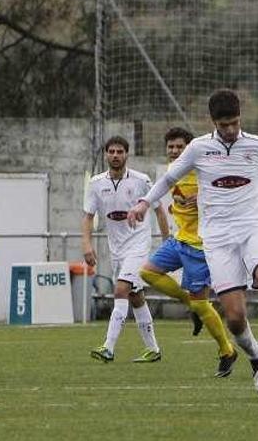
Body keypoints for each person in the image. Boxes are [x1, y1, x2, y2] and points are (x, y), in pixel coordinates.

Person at [128, 89, 258, 384]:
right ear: (213, 123)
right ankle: (256, 354)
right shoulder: (197, 148)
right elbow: (169, 178)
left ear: (240, 118)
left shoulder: (257, 146)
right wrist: (144, 203)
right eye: (224, 125)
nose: (230, 130)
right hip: (217, 239)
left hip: (253, 228)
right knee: (234, 318)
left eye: (234, 123)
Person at [138, 127, 238, 377]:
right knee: (147, 273)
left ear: (189, 148)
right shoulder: (171, 172)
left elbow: (226, 192)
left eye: (179, 147)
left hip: (200, 246)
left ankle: (227, 351)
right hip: (178, 240)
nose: (174, 151)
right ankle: (188, 303)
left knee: (202, 303)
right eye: (170, 146)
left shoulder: (203, 170)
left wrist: (203, 197)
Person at [84, 136, 170, 363]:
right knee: (135, 295)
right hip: (117, 250)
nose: (115, 155)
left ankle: (108, 348)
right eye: (111, 151)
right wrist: (86, 245)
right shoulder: (96, 183)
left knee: (121, 290)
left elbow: (160, 210)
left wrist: (166, 242)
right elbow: (88, 216)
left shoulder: (142, 180)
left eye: (119, 151)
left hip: (138, 246)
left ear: (126, 155)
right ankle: (153, 349)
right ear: (105, 154)